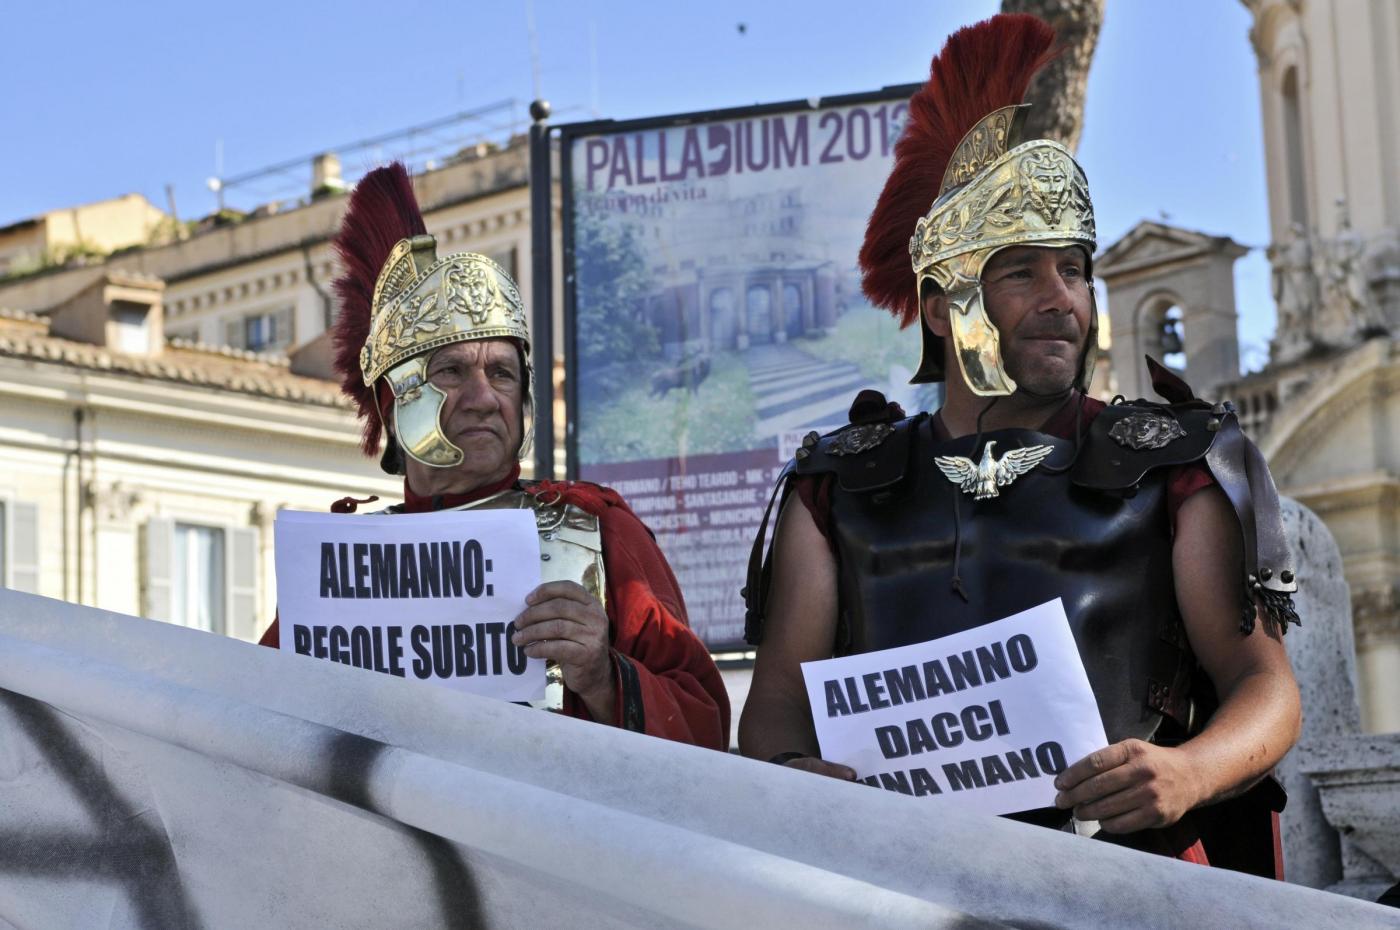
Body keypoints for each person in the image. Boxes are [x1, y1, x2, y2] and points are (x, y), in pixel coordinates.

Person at [739, 14, 1301, 873]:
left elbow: (1265, 687)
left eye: (1073, 270)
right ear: (940, 305)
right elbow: (778, 692)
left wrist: (1188, 771)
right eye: (1020, 272)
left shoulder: (1174, 462)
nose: (1060, 298)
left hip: (1131, 884)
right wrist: (787, 776)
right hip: (903, 886)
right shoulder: (839, 483)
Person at [259, 163, 729, 752]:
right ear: (391, 398)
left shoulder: (598, 528)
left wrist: (604, 677)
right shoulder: (340, 567)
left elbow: (707, 731)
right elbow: (266, 733)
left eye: (502, 373)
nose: (484, 399)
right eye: (451, 371)